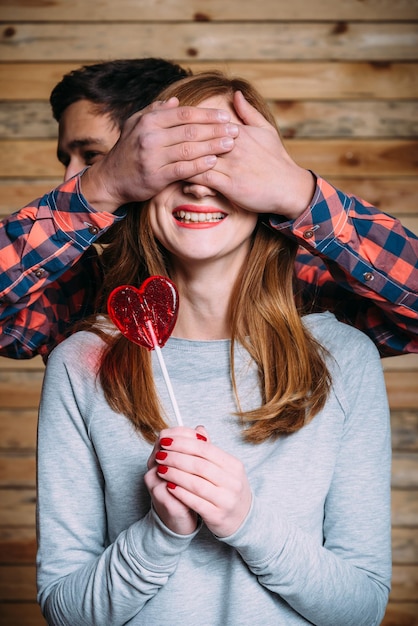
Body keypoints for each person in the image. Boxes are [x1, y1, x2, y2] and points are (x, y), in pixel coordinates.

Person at [36, 71, 392, 625]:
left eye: (226, 161)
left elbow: (363, 610)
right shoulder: (79, 364)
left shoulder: (344, 358)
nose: (200, 185)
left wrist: (247, 520)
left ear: (269, 187)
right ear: (140, 183)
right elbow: (65, 611)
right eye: (180, 162)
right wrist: (159, 533)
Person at [0, 59, 417, 361]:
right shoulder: (82, 292)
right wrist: (100, 186)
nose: (71, 183)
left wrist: (300, 193)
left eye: (95, 158)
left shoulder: (299, 287)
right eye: (68, 163)